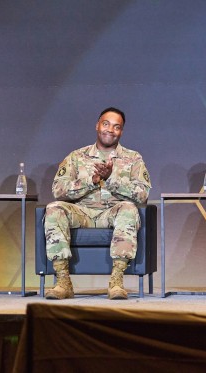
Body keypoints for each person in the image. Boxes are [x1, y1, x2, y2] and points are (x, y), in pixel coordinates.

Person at [44, 107, 151, 300]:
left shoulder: (133, 158)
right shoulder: (77, 156)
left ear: (121, 132)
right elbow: (58, 190)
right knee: (53, 209)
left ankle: (117, 282)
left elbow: (142, 194)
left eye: (117, 127)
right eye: (106, 124)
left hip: (112, 212)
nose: (110, 130)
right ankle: (63, 282)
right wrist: (91, 181)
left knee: (129, 209)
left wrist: (111, 180)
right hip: (81, 212)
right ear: (97, 125)